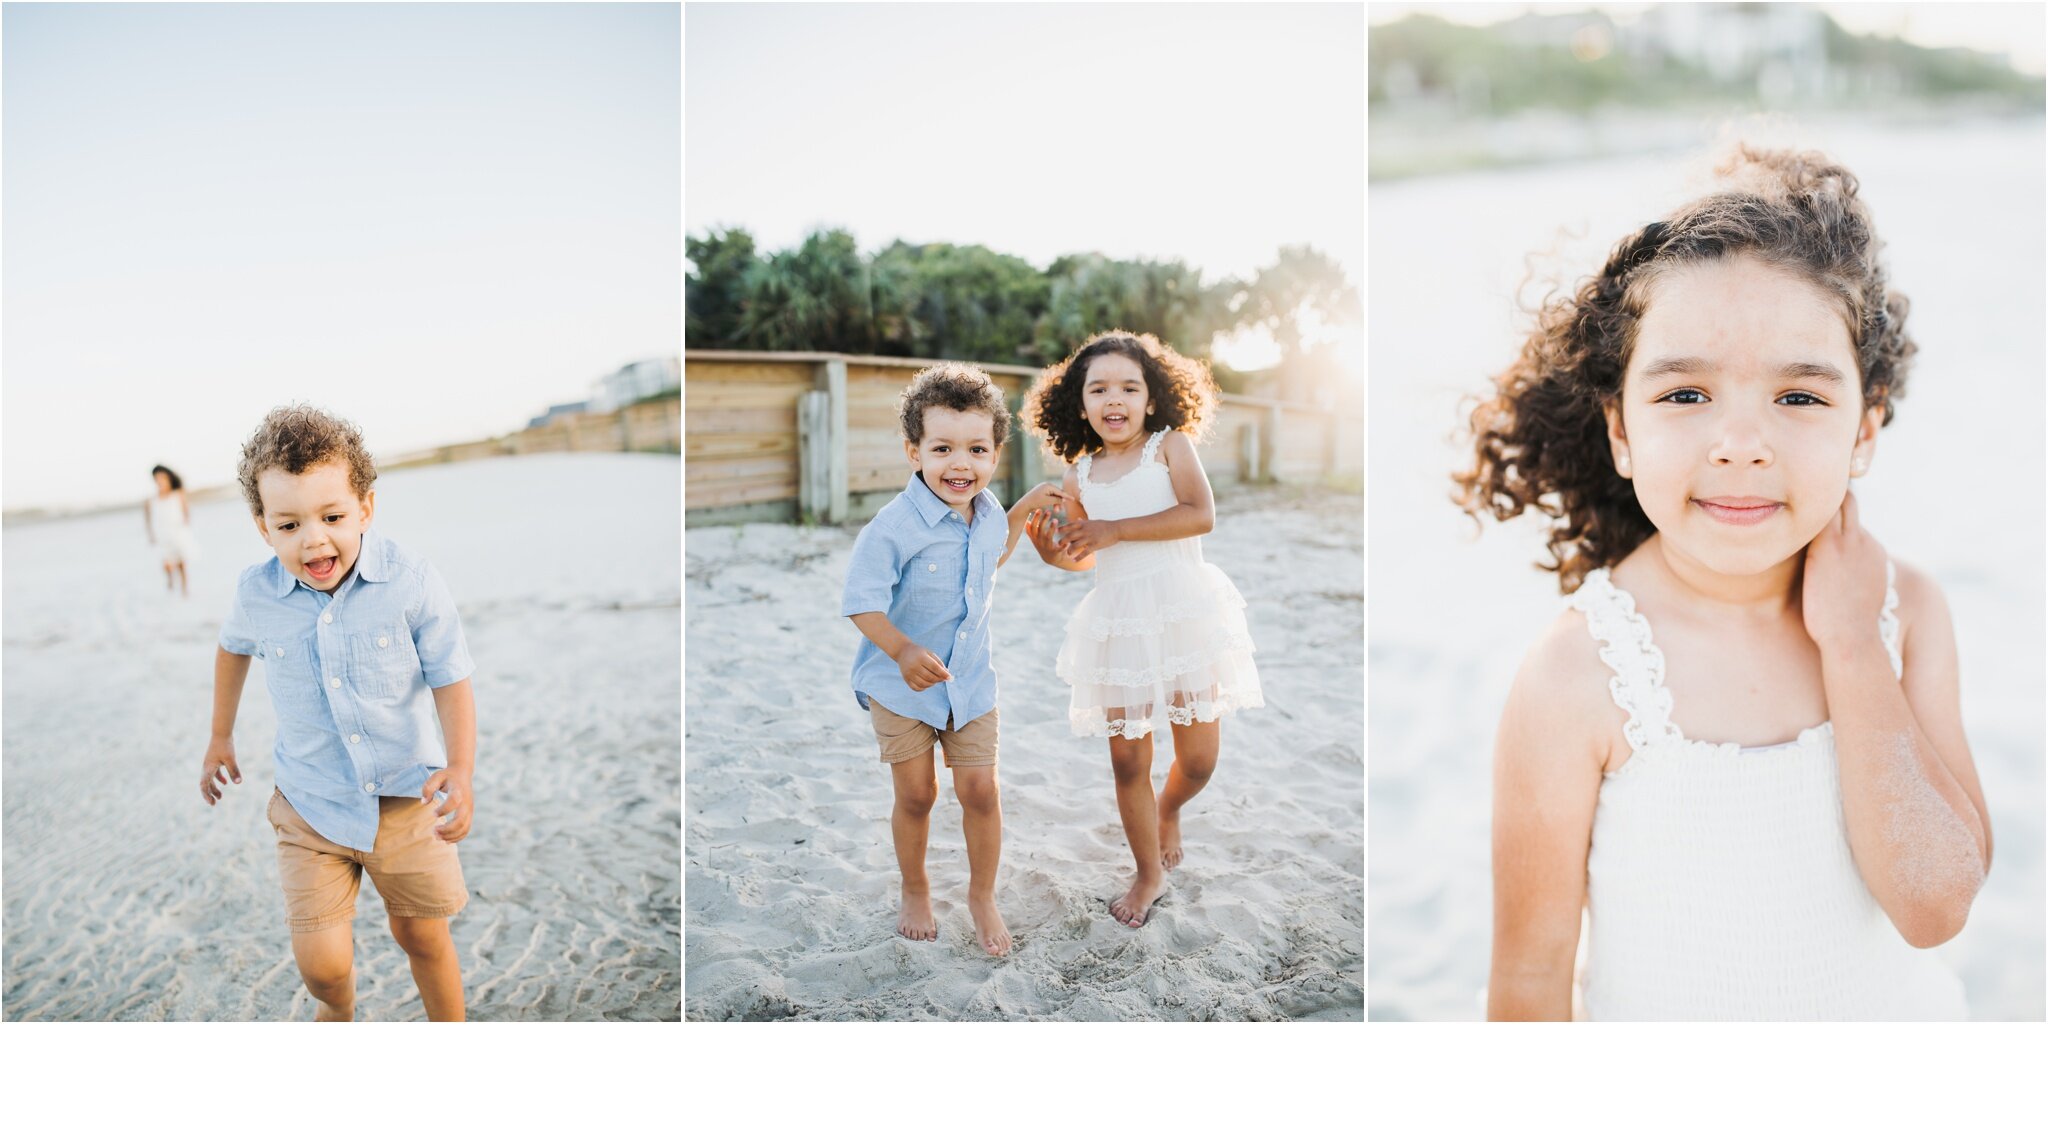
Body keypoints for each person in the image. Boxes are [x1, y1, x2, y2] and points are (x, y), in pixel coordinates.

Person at [1460, 146, 1988, 1020]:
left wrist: (1854, 646)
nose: (1741, 444)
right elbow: (1528, 979)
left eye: (1799, 398)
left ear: (1866, 429)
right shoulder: (1578, 676)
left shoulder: (1908, 616)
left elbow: (1935, 909)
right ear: (1621, 431)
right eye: (1685, 395)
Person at [199, 405, 479, 1021]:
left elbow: (451, 678)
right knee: (322, 966)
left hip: (408, 801)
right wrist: (220, 736)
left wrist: (460, 768)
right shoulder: (256, 593)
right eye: (290, 524)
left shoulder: (409, 582)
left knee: (421, 936)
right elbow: (231, 649)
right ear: (263, 527)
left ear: (366, 509)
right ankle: (340, 1009)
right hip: (311, 807)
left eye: (332, 517)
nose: (314, 539)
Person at [1020, 331, 1264, 928]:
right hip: (1121, 623)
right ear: (1080, 405)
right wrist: (1056, 555)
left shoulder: (1170, 447)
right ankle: (1148, 871)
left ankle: (1170, 807)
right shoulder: (1078, 477)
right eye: (1098, 388)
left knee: (1200, 759)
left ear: (1151, 398)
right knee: (1128, 759)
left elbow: (1199, 514)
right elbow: (1084, 552)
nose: (1115, 399)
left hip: (1185, 614)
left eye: (1129, 387)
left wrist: (1117, 529)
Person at [841, 363, 1065, 956]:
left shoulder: (988, 513)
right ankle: (915, 887)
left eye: (976, 449)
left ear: (996, 453)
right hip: (899, 684)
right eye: (942, 449)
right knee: (917, 796)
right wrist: (903, 648)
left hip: (969, 685)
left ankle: (981, 895)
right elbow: (861, 604)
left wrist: (1030, 503)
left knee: (981, 793)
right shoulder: (891, 527)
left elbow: (994, 553)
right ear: (914, 452)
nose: (959, 464)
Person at [144, 464, 196, 597]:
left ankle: (185, 589)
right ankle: (171, 581)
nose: (160, 481)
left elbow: (186, 513)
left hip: (178, 532)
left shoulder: (178, 494)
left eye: (162, 478)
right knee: (167, 563)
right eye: (157, 479)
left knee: (181, 563)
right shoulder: (152, 500)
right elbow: (149, 520)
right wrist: (151, 534)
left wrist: (185, 528)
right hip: (163, 534)